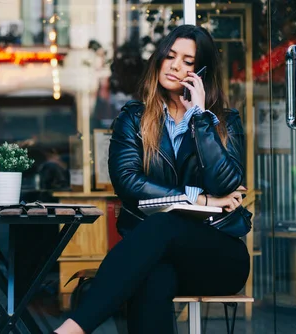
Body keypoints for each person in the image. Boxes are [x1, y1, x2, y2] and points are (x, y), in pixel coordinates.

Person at [53, 25, 250, 334]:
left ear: (201, 71)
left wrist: (199, 119)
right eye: (169, 56)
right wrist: (200, 199)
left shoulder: (224, 121)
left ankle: (73, 329)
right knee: (155, 276)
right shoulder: (133, 117)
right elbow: (128, 183)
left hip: (217, 254)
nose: (174, 65)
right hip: (158, 255)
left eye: (187, 60)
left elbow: (226, 183)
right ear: (158, 59)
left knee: (160, 226)